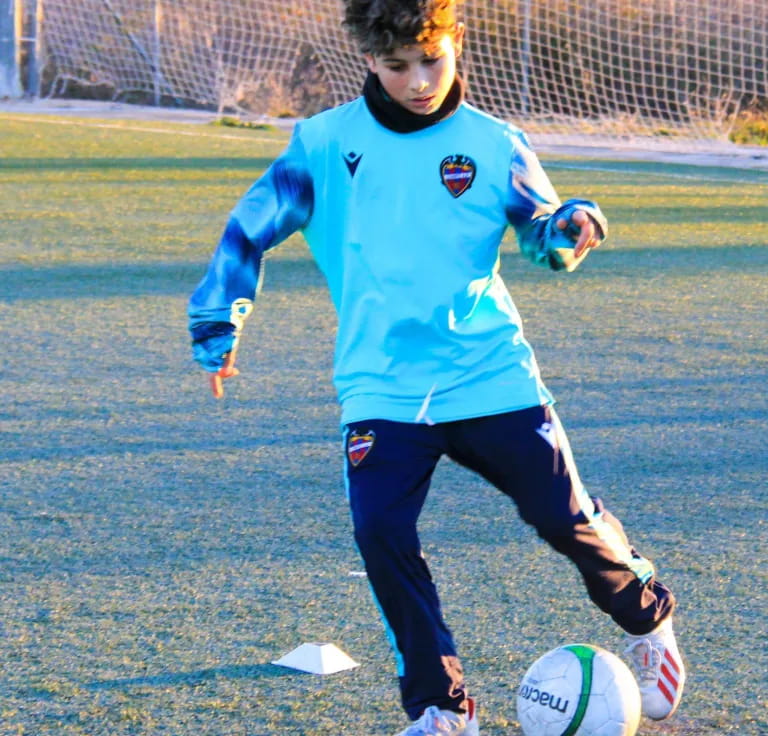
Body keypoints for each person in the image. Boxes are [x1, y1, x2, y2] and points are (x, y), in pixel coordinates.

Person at [188, 0, 685, 732]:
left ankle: (648, 624)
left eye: (433, 60)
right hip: (380, 388)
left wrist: (572, 224)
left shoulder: (494, 143)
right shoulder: (322, 144)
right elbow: (248, 229)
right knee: (381, 535)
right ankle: (440, 708)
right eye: (398, 66)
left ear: (456, 43)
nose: (420, 81)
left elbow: (542, 232)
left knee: (564, 520)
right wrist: (217, 322)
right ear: (367, 58)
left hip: (489, 375)